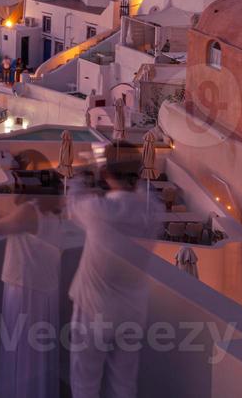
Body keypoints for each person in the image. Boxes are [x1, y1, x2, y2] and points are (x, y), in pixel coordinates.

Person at [66, 159, 157, 398]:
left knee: (85, 379)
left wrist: (81, 177)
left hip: (93, 307)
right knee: (124, 382)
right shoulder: (152, 211)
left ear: (106, 173)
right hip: (133, 309)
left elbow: (73, 204)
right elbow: (145, 192)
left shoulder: (100, 210)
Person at [0, 198, 68, 398]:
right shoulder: (53, 208)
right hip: (42, 285)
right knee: (36, 348)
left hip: (25, 286)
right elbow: (8, 221)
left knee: (22, 345)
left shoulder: (28, 211)